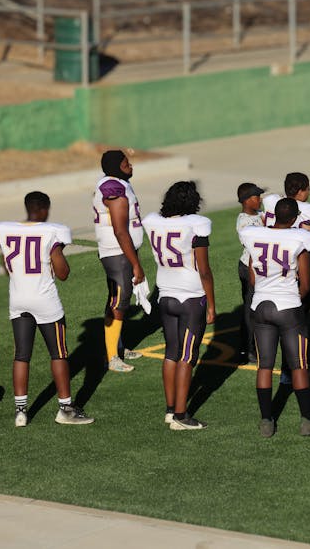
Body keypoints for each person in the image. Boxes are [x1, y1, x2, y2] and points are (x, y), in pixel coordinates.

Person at [0, 192, 93, 427]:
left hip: (18, 300)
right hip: (45, 301)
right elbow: (63, 273)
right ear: (45, 209)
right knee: (58, 353)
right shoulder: (51, 232)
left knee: (21, 355)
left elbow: (8, 268)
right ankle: (66, 409)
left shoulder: (7, 230)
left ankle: (20, 412)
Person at [240, 197, 310, 438]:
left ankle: (266, 422)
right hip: (288, 307)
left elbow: (251, 277)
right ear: (294, 218)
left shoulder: (256, 235)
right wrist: (295, 299)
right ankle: (307, 422)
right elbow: (305, 283)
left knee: (264, 365)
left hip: (260, 305)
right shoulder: (299, 239)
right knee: (299, 365)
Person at [142, 182, 216, 430]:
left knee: (171, 353)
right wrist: (212, 305)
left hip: (165, 294)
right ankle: (181, 417)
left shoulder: (154, 223)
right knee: (187, 356)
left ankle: (170, 408)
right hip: (191, 296)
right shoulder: (196, 225)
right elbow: (204, 270)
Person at [92, 149, 145, 373]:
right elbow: (120, 230)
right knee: (119, 302)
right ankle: (112, 356)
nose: (130, 165)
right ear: (116, 166)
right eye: (126, 163)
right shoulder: (112, 188)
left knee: (117, 299)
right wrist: (136, 264)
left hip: (120, 251)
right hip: (117, 252)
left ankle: (118, 347)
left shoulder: (119, 183)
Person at [263, 172, 310, 302]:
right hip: (292, 270)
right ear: (300, 191)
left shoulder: (271, 201)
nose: (309, 192)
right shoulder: (308, 211)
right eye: (308, 188)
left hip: (267, 267)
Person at [235, 182, 265, 364]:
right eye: (256, 197)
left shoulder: (260, 215)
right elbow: (255, 244)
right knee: (250, 309)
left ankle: (250, 345)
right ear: (246, 201)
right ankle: (248, 349)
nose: (260, 199)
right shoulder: (244, 222)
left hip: (260, 268)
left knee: (254, 307)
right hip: (249, 268)